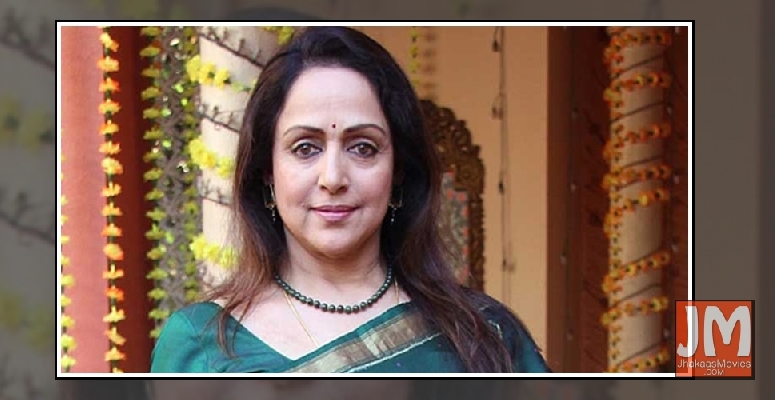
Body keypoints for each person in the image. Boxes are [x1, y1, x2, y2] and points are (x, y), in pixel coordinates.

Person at [150, 26, 550, 373]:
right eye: (305, 148)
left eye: (363, 147)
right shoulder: (202, 346)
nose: (333, 178)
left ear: (398, 169)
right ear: (267, 171)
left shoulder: (485, 335)